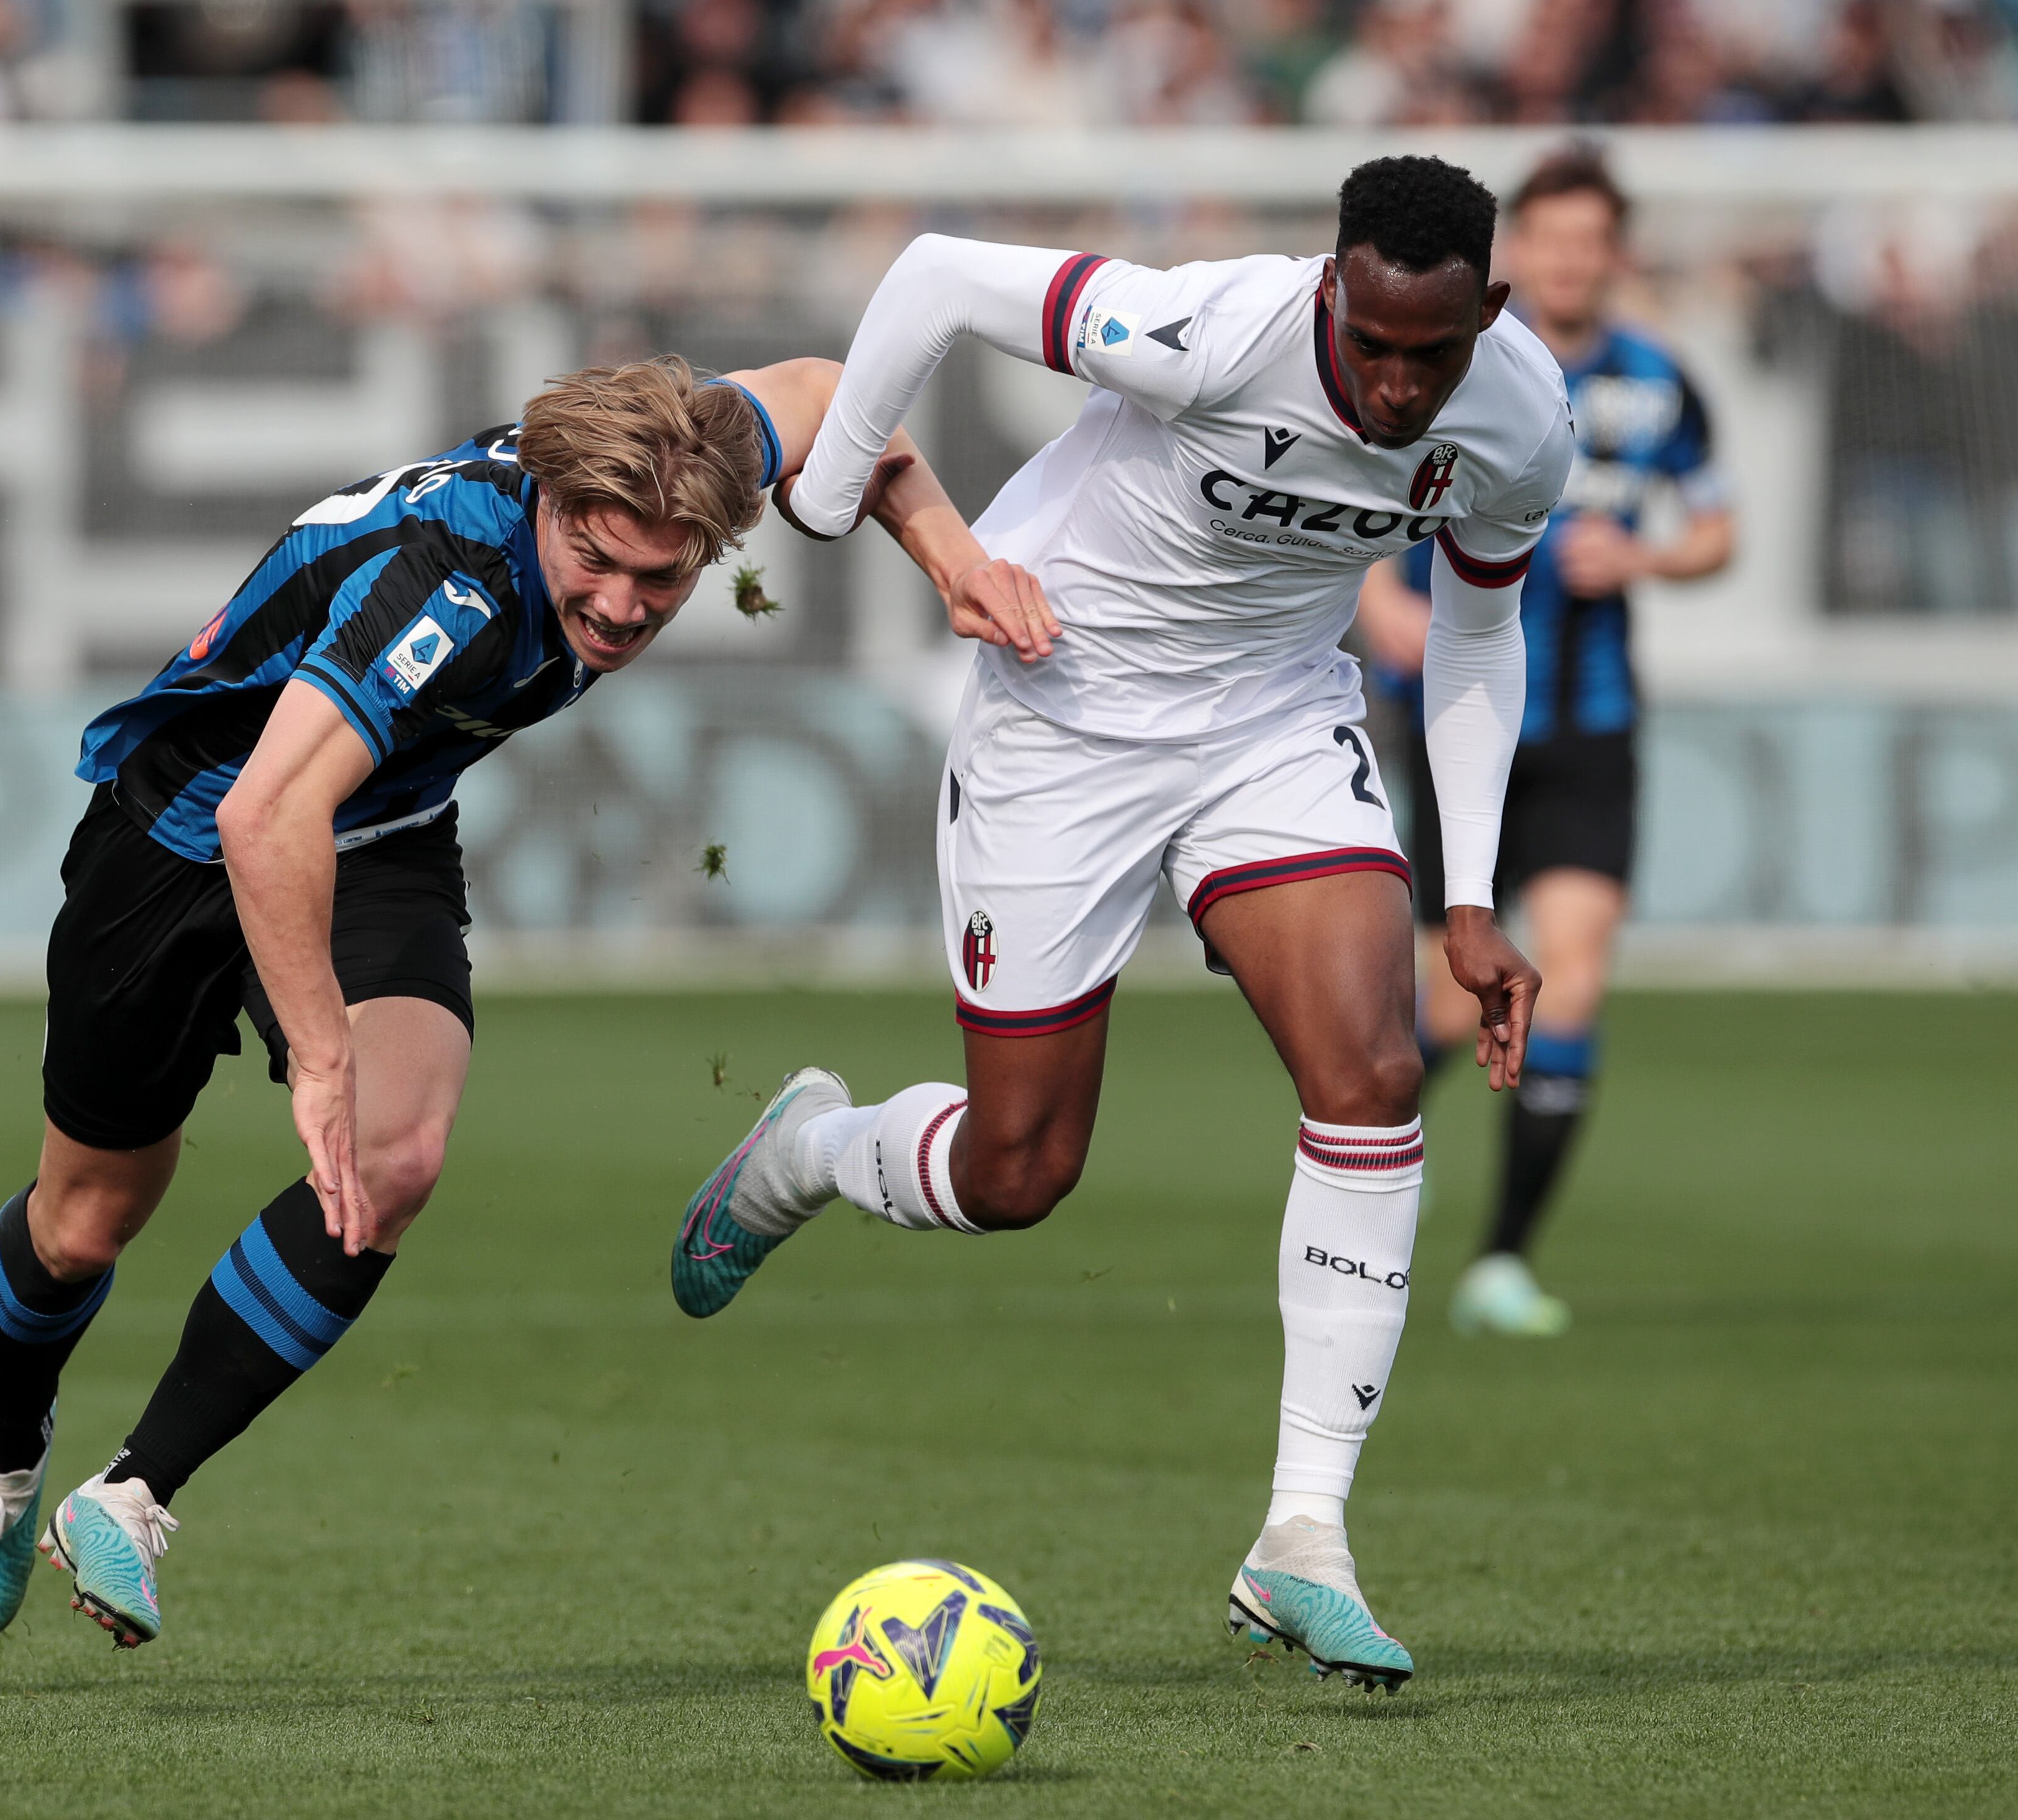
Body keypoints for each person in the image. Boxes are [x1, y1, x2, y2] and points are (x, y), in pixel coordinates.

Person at [0, 354, 1042, 1650]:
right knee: (87, 1221)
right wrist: (318, 1055)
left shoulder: (696, 448)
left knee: (396, 1156)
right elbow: (264, 817)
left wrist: (951, 556)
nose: (624, 609)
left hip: (384, 826)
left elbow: (835, 393)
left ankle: (129, 1496)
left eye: (663, 580)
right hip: (182, 835)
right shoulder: (448, 587)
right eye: (598, 566)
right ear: (550, 506)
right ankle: (2, 1454)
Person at [670, 157, 1572, 1694]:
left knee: (1370, 1074)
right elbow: (940, 270)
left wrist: (1471, 897)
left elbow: (1480, 627)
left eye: (1436, 351)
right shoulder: (1214, 329)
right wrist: (825, 497)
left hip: (1272, 724)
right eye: (1373, 342)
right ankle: (811, 1152)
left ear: (1489, 309)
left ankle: (1303, 1538)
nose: (1402, 383)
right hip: (1065, 705)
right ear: (1328, 290)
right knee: (1019, 1171)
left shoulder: (1523, 421)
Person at [1356, 144, 1733, 1339]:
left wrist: (1651, 554)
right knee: (1452, 1007)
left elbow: (1719, 529)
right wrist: (1390, 615)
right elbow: (1347, 505)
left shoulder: (1658, 382)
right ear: (1525, 253)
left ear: (1614, 253)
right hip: (1460, 721)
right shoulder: (1452, 367)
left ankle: (1502, 1261)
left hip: (1592, 720)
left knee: (1573, 965)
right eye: (1553, 239)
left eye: (1592, 241)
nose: (1573, 259)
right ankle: (1357, 1168)